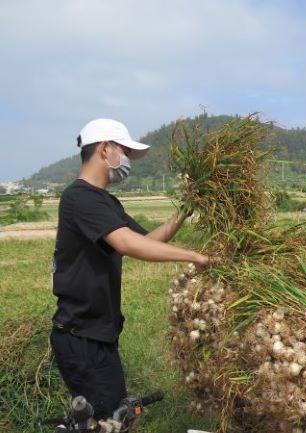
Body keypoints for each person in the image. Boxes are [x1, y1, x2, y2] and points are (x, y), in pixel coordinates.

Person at [50, 118, 215, 424]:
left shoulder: (105, 201)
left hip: (98, 335)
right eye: (123, 151)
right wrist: (195, 256)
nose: (126, 160)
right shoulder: (79, 197)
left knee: (113, 420)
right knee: (106, 422)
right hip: (80, 337)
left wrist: (184, 210)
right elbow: (127, 244)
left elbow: (147, 241)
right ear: (104, 149)